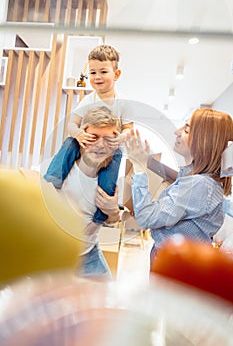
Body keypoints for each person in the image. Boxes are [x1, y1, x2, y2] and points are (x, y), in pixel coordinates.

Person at [125, 108, 233, 264]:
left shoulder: (199, 185)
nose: (177, 131)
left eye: (187, 130)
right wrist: (144, 159)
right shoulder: (199, 180)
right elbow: (176, 179)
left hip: (178, 263)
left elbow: (146, 218)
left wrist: (139, 168)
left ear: (204, 141)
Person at [44, 45, 133, 224]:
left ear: (116, 74)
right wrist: (78, 135)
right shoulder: (88, 100)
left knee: (116, 160)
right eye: (92, 73)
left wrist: (120, 138)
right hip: (85, 143)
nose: (97, 77)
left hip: (111, 148)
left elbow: (129, 129)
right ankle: (53, 180)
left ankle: (102, 211)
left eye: (103, 71)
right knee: (69, 142)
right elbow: (72, 123)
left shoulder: (123, 103)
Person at [43, 106, 123, 279]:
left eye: (108, 139)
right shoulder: (60, 167)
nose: (101, 145)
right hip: (54, 254)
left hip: (88, 253)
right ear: (83, 134)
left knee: (106, 297)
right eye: (94, 137)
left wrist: (113, 211)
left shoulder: (114, 178)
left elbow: (115, 220)